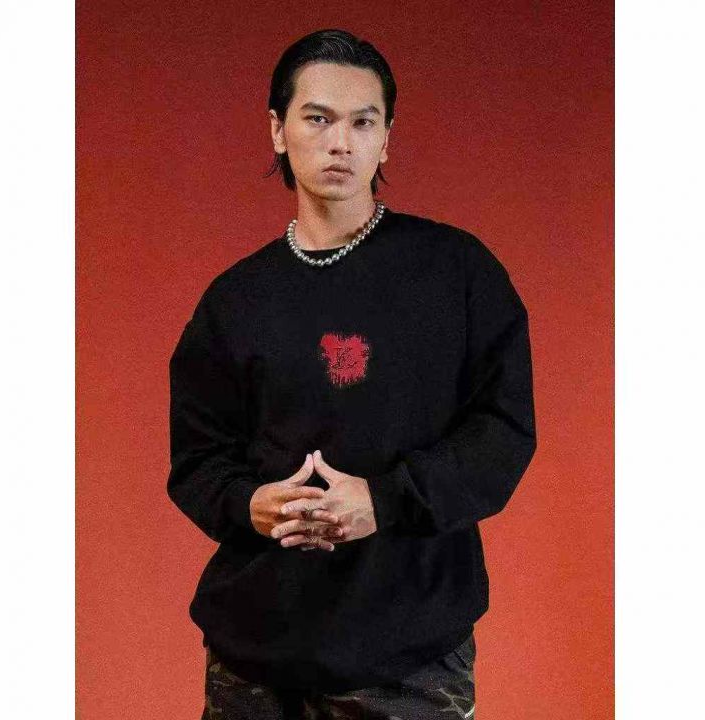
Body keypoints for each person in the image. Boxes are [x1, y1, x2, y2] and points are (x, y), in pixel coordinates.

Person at [167, 28, 537, 720]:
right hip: (254, 647)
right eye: (318, 118)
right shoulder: (235, 300)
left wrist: (385, 500)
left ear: (386, 139)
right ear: (277, 131)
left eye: (363, 122)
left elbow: (503, 432)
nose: (341, 143)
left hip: (410, 649)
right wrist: (250, 504)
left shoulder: (457, 272)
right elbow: (197, 461)